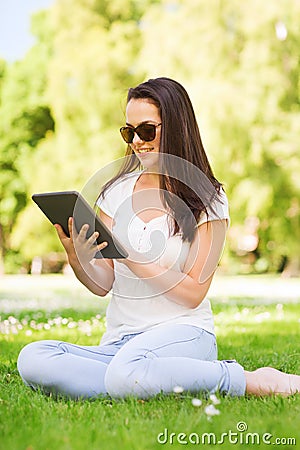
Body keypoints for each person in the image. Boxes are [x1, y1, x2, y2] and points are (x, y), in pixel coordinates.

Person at [17, 77, 299, 400]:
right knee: (34, 359)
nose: (137, 141)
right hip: (121, 343)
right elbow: (103, 283)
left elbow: (194, 293)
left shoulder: (209, 199)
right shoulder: (115, 193)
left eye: (147, 130)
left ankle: (248, 380)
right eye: (129, 131)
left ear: (176, 127)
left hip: (185, 335)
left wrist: (133, 258)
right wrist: (77, 257)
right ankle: (134, 381)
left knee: (127, 372)